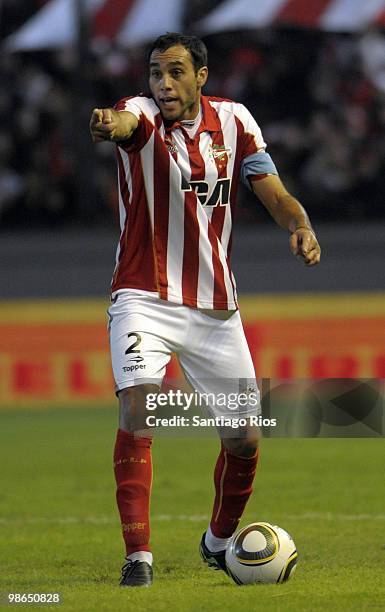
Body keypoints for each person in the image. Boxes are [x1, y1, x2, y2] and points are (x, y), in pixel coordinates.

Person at [89, 32, 321, 588]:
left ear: (202, 76)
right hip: (143, 297)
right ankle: (138, 556)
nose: (162, 84)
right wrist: (106, 123)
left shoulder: (237, 122)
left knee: (244, 438)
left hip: (216, 307)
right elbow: (123, 125)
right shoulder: (139, 114)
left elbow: (273, 190)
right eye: (154, 73)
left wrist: (300, 225)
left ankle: (218, 543)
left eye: (174, 72)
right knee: (140, 411)